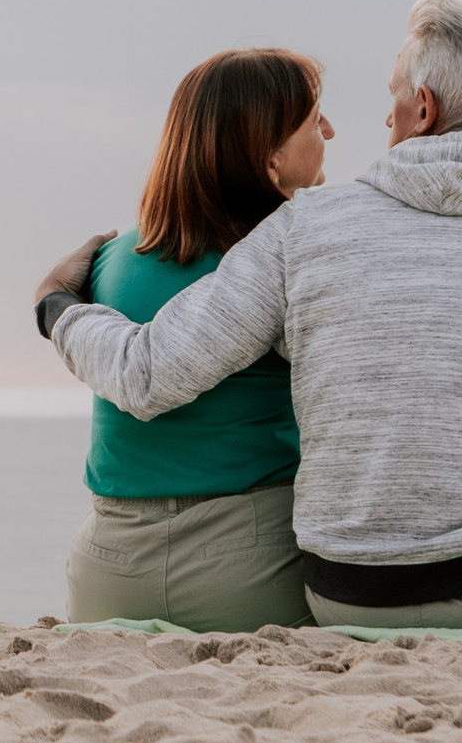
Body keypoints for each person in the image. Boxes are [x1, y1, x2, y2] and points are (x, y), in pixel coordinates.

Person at [34, 0, 462, 635]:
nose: (382, 119)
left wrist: (60, 306)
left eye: (391, 97)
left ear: (423, 108)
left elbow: (151, 373)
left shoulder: (302, 230)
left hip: (349, 595)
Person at [57, 48, 335, 632]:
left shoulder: (106, 259)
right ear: (270, 160)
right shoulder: (285, 262)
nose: (330, 130)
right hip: (247, 570)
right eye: (314, 120)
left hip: (107, 574)